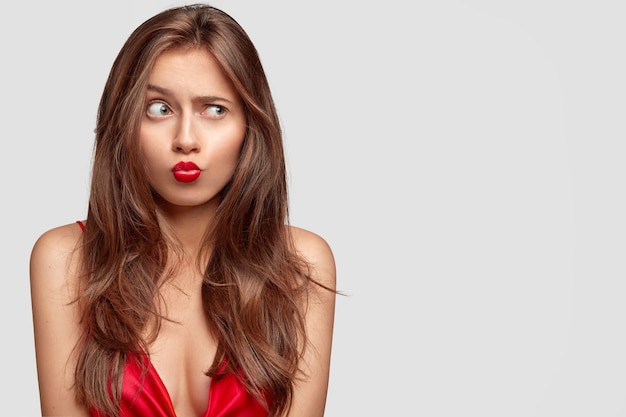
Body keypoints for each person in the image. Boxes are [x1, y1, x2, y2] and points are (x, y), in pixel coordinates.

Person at [29, 4, 336, 417]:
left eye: (215, 109)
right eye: (159, 108)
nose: (186, 139)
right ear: (124, 122)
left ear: (250, 126)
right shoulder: (65, 260)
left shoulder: (302, 266)